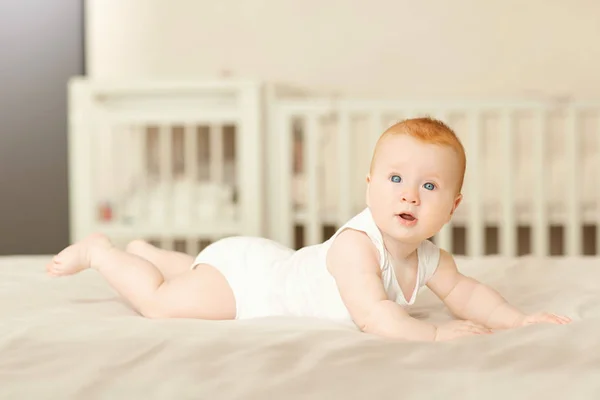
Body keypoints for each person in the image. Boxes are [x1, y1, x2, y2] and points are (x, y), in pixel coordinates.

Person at [47, 117, 571, 341]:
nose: (409, 194)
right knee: (163, 303)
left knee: (194, 271)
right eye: (395, 178)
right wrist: (434, 335)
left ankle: (151, 253)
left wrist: (517, 320)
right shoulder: (354, 247)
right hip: (250, 286)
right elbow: (373, 315)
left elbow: (468, 295)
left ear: (453, 206)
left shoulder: (434, 259)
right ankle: (104, 253)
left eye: (429, 187)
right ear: (369, 187)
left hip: (263, 261)